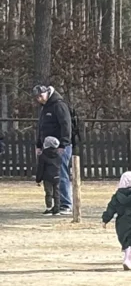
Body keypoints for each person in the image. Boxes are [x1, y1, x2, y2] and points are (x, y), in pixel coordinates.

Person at [33, 83, 73, 214]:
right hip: (48, 147)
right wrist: (39, 145)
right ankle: (56, 205)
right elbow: (41, 128)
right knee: (51, 175)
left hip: (60, 146)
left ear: (47, 93)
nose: (39, 99)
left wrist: (63, 144)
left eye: (40, 95)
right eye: (37, 97)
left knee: (61, 174)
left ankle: (65, 204)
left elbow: (66, 125)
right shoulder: (45, 108)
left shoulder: (59, 105)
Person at [36, 135, 64, 214]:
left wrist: (38, 179)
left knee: (48, 193)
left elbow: (40, 168)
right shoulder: (59, 155)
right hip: (57, 176)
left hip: (47, 177)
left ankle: (49, 208)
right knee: (57, 193)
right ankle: (57, 208)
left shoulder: (43, 156)